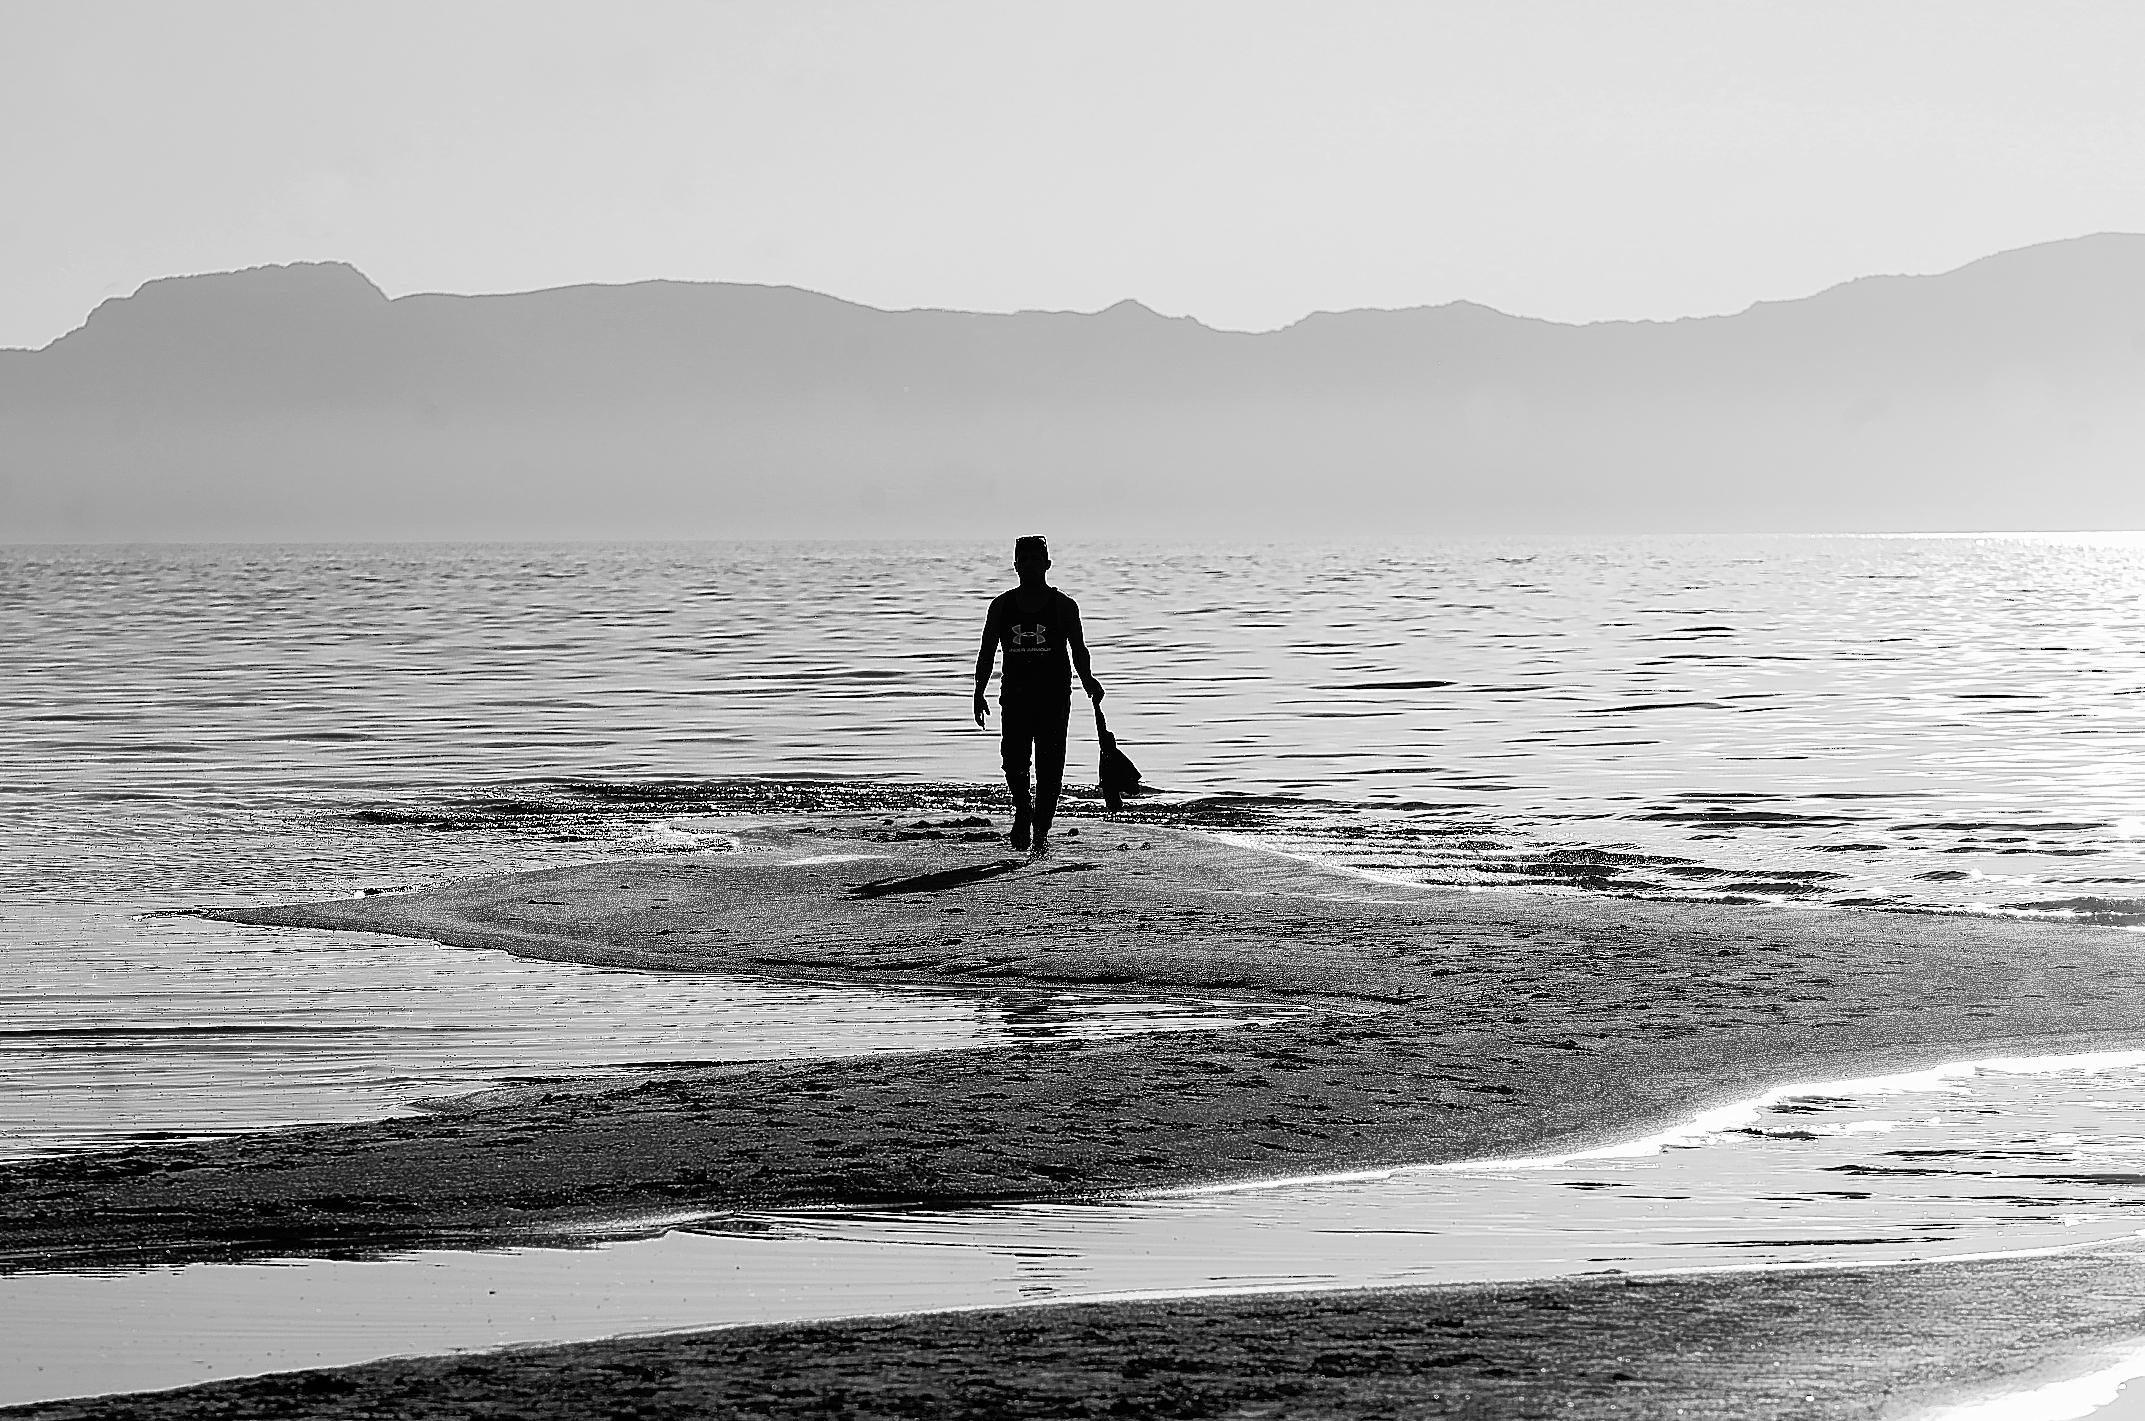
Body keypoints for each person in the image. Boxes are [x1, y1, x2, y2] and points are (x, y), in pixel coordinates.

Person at [974, 535, 1104, 857]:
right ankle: (1023, 812)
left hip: (1054, 699)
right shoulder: (1002, 606)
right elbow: (987, 651)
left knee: (1050, 768)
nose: (1031, 565)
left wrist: (1089, 680)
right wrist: (978, 692)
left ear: (1047, 564)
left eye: (1037, 559)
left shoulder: (1063, 607)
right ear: (1016, 566)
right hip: (1015, 698)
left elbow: (1079, 651)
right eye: (1025, 560)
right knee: (1014, 762)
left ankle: (1041, 831)